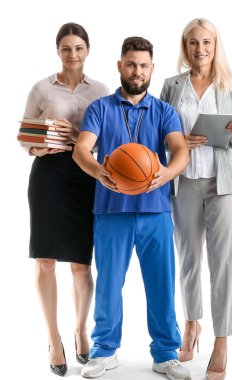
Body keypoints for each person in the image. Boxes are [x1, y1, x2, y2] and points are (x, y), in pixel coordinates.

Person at [73, 36, 191, 380]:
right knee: (109, 284)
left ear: (151, 69)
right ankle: (104, 351)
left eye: (143, 66)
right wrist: (99, 171)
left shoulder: (164, 111)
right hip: (111, 209)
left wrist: (167, 172)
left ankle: (166, 354)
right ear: (120, 66)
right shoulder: (100, 108)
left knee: (162, 284)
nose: (137, 71)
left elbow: (179, 149)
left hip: (156, 209)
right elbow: (82, 149)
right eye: (131, 64)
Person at [160, 18, 232, 380]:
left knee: (221, 262)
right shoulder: (171, 85)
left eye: (207, 43)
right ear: (186, 46)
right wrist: (176, 138)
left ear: (216, 45)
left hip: (223, 184)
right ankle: (191, 324)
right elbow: (159, 133)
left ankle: (222, 340)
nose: (201, 50)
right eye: (194, 43)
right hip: (185, 182)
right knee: (189, 259)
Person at [23, 23, 109, 376]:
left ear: (87, 50)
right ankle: (54, 338)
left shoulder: (101, 91)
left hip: (85, 176)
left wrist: (84, 141)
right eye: (66, 49)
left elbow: (108, 139)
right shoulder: (41, 88)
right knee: (44, 260)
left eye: (78, 48)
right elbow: (26, 133)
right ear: (58, 51)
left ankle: (79, 327)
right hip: (49, 174)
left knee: (80, 264)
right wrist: (36, 146)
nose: (72, 54)